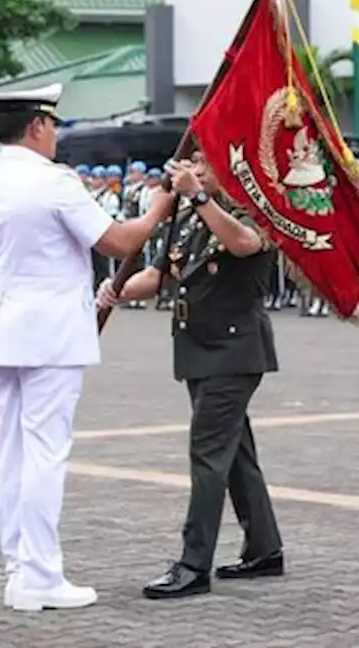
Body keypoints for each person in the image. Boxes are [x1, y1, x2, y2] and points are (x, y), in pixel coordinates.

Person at [0, 83, 173, 612]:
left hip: (3, 328)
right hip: (50, 333)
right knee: (44, 453)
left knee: (11, 453)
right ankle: (40, 575)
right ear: (37, 125)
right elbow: (120, 242)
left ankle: (19, 569)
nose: (56, 135)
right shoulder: (52, 182)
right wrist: (157, 210)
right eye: (53, 124)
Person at [96, 151, 283, 601]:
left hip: (234, 350)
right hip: (198, 348)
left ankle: (193, 564)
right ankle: (264, 548)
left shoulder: (253, 210)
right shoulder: (189, 215)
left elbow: (242, 243)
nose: (195, 171)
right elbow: (161, 276)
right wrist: (115, 291)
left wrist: (199, 197)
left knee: (207, 456)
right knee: (235, 451)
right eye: (193, 163)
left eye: (206, 164)